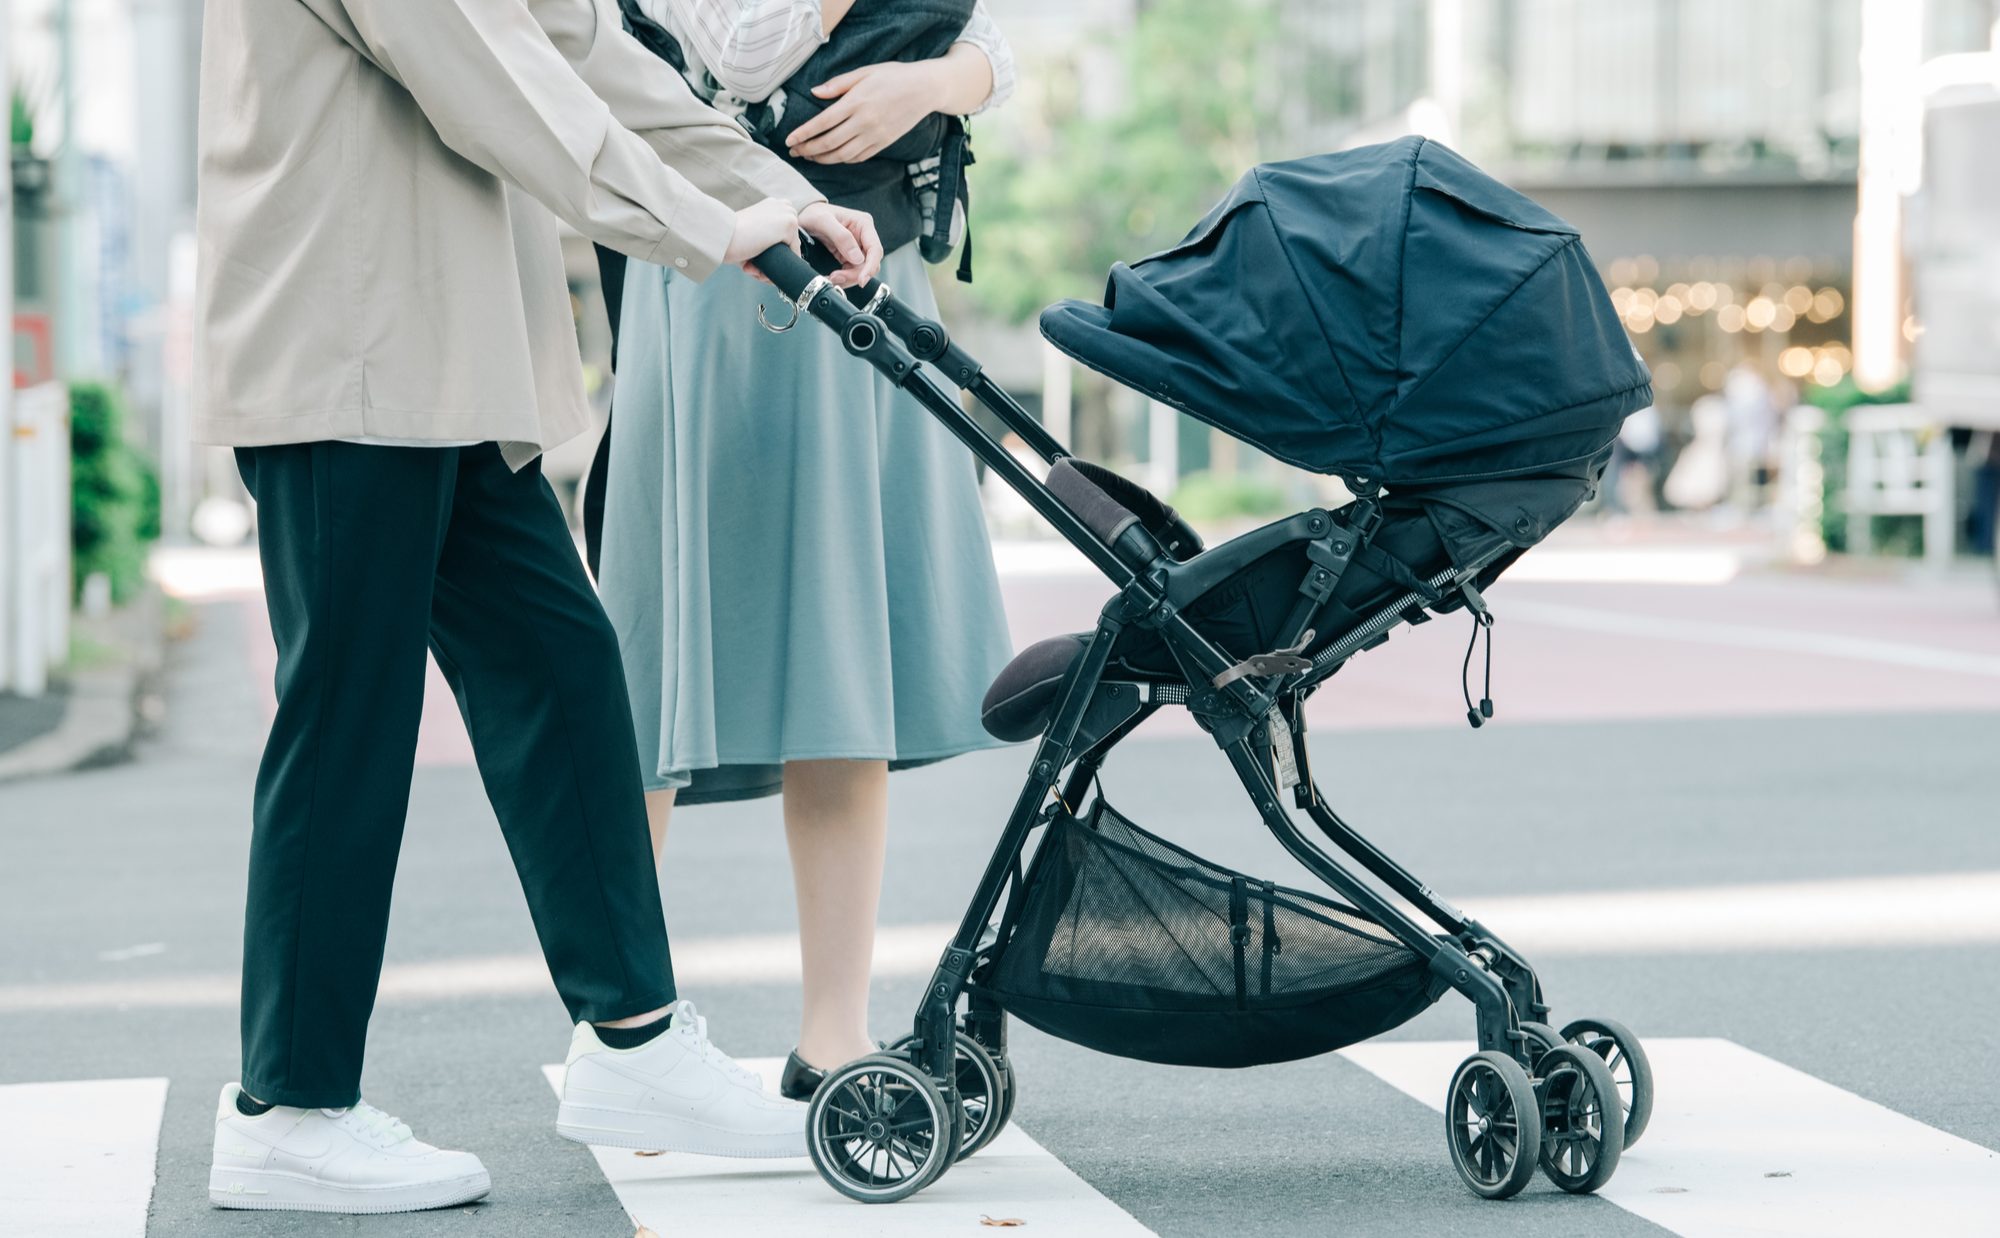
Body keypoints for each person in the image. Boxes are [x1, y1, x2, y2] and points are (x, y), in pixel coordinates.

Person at [193, 0, 881, 1215]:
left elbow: (582, 46)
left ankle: (634, 1041)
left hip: (450, 357)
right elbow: (498, 82)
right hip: (348, 345)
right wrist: (712, 224)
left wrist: (770, 188)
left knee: (560, 669)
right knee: (346, 719)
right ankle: (286, 1108)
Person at [594, 0, 1015, 1099]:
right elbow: (742, 50)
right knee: (650, 663)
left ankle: (834, 1034)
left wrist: (932, 82)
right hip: (720, 269)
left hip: (867, 256)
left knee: (842, 656)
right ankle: (623, 1025)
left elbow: (993, 43)